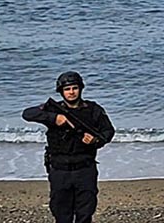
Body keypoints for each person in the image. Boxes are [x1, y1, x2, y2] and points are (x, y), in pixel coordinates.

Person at [22, 71, 116, 223]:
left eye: (74, 88)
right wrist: (54, 118)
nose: (71, 92)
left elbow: (108, 131)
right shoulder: (54, 109)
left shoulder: (93, 110)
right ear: (61, 91)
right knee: (61, 213)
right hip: (60, 170)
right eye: (67, 89)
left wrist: (96, 140)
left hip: (85, 169)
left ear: (80, 89)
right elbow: (27, 114)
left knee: (85, 212)